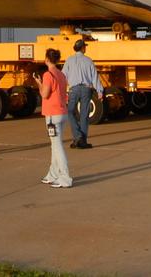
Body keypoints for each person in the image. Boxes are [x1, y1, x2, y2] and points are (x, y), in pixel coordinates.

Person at [34, 47, 72, 188]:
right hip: (62, 113)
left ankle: (65, 178)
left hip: (52, 115)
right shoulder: (61, 75)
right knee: (55, 145)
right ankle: (53, 174)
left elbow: (45, 94)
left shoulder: (48, 75)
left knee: (57, 146)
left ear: (47, 59)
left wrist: (38, 83)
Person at [63, 37, 103, 149]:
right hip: (86, 89)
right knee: (84, 115)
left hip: (73, 90)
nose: (86, 48)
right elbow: (95, 77)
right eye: (85, 46)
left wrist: (63, 90)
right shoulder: (88, 60)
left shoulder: (69, 60)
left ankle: (77, 137)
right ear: (82, 48)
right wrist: (99, 90)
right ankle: (82, 140)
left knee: (70, 112)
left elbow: (63, 76)